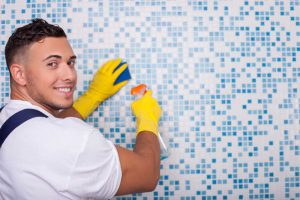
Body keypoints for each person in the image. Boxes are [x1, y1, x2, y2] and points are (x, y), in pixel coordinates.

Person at [0, 18, 161, 199]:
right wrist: (148, 118)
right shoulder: (74, 141)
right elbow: (148, 174)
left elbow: (48, 129)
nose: (70, 75)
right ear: (19, 74)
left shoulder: (7, 118)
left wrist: (92, 96)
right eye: (52, 64)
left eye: (70, 63)